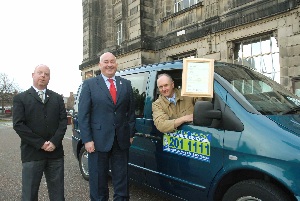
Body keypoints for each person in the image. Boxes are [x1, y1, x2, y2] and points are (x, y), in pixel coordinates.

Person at [78, 52, 135, 201]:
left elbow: (130, 112)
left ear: (116, 64)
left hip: (121, 141)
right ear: (100, 65)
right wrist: (87, 139)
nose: (109, 65)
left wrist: (130, 134)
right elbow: (84, 115)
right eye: (106, 62)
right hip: (97, 141)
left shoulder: (126, 84)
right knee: (98, 181)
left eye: (112, 62)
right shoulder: (90, 84)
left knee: (122, 180)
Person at [13, 64, 67, 201]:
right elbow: (18, 125)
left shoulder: (57, 98)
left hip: (55, 153)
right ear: (33, 75)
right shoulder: (21, 98)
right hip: (32, 153)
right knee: (29, 194)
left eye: (46, 74)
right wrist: (41, 143)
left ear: (49, 78)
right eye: (40, 72)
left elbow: (63, 122)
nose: (43, 76)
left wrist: (54, 142)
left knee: (58, 195)